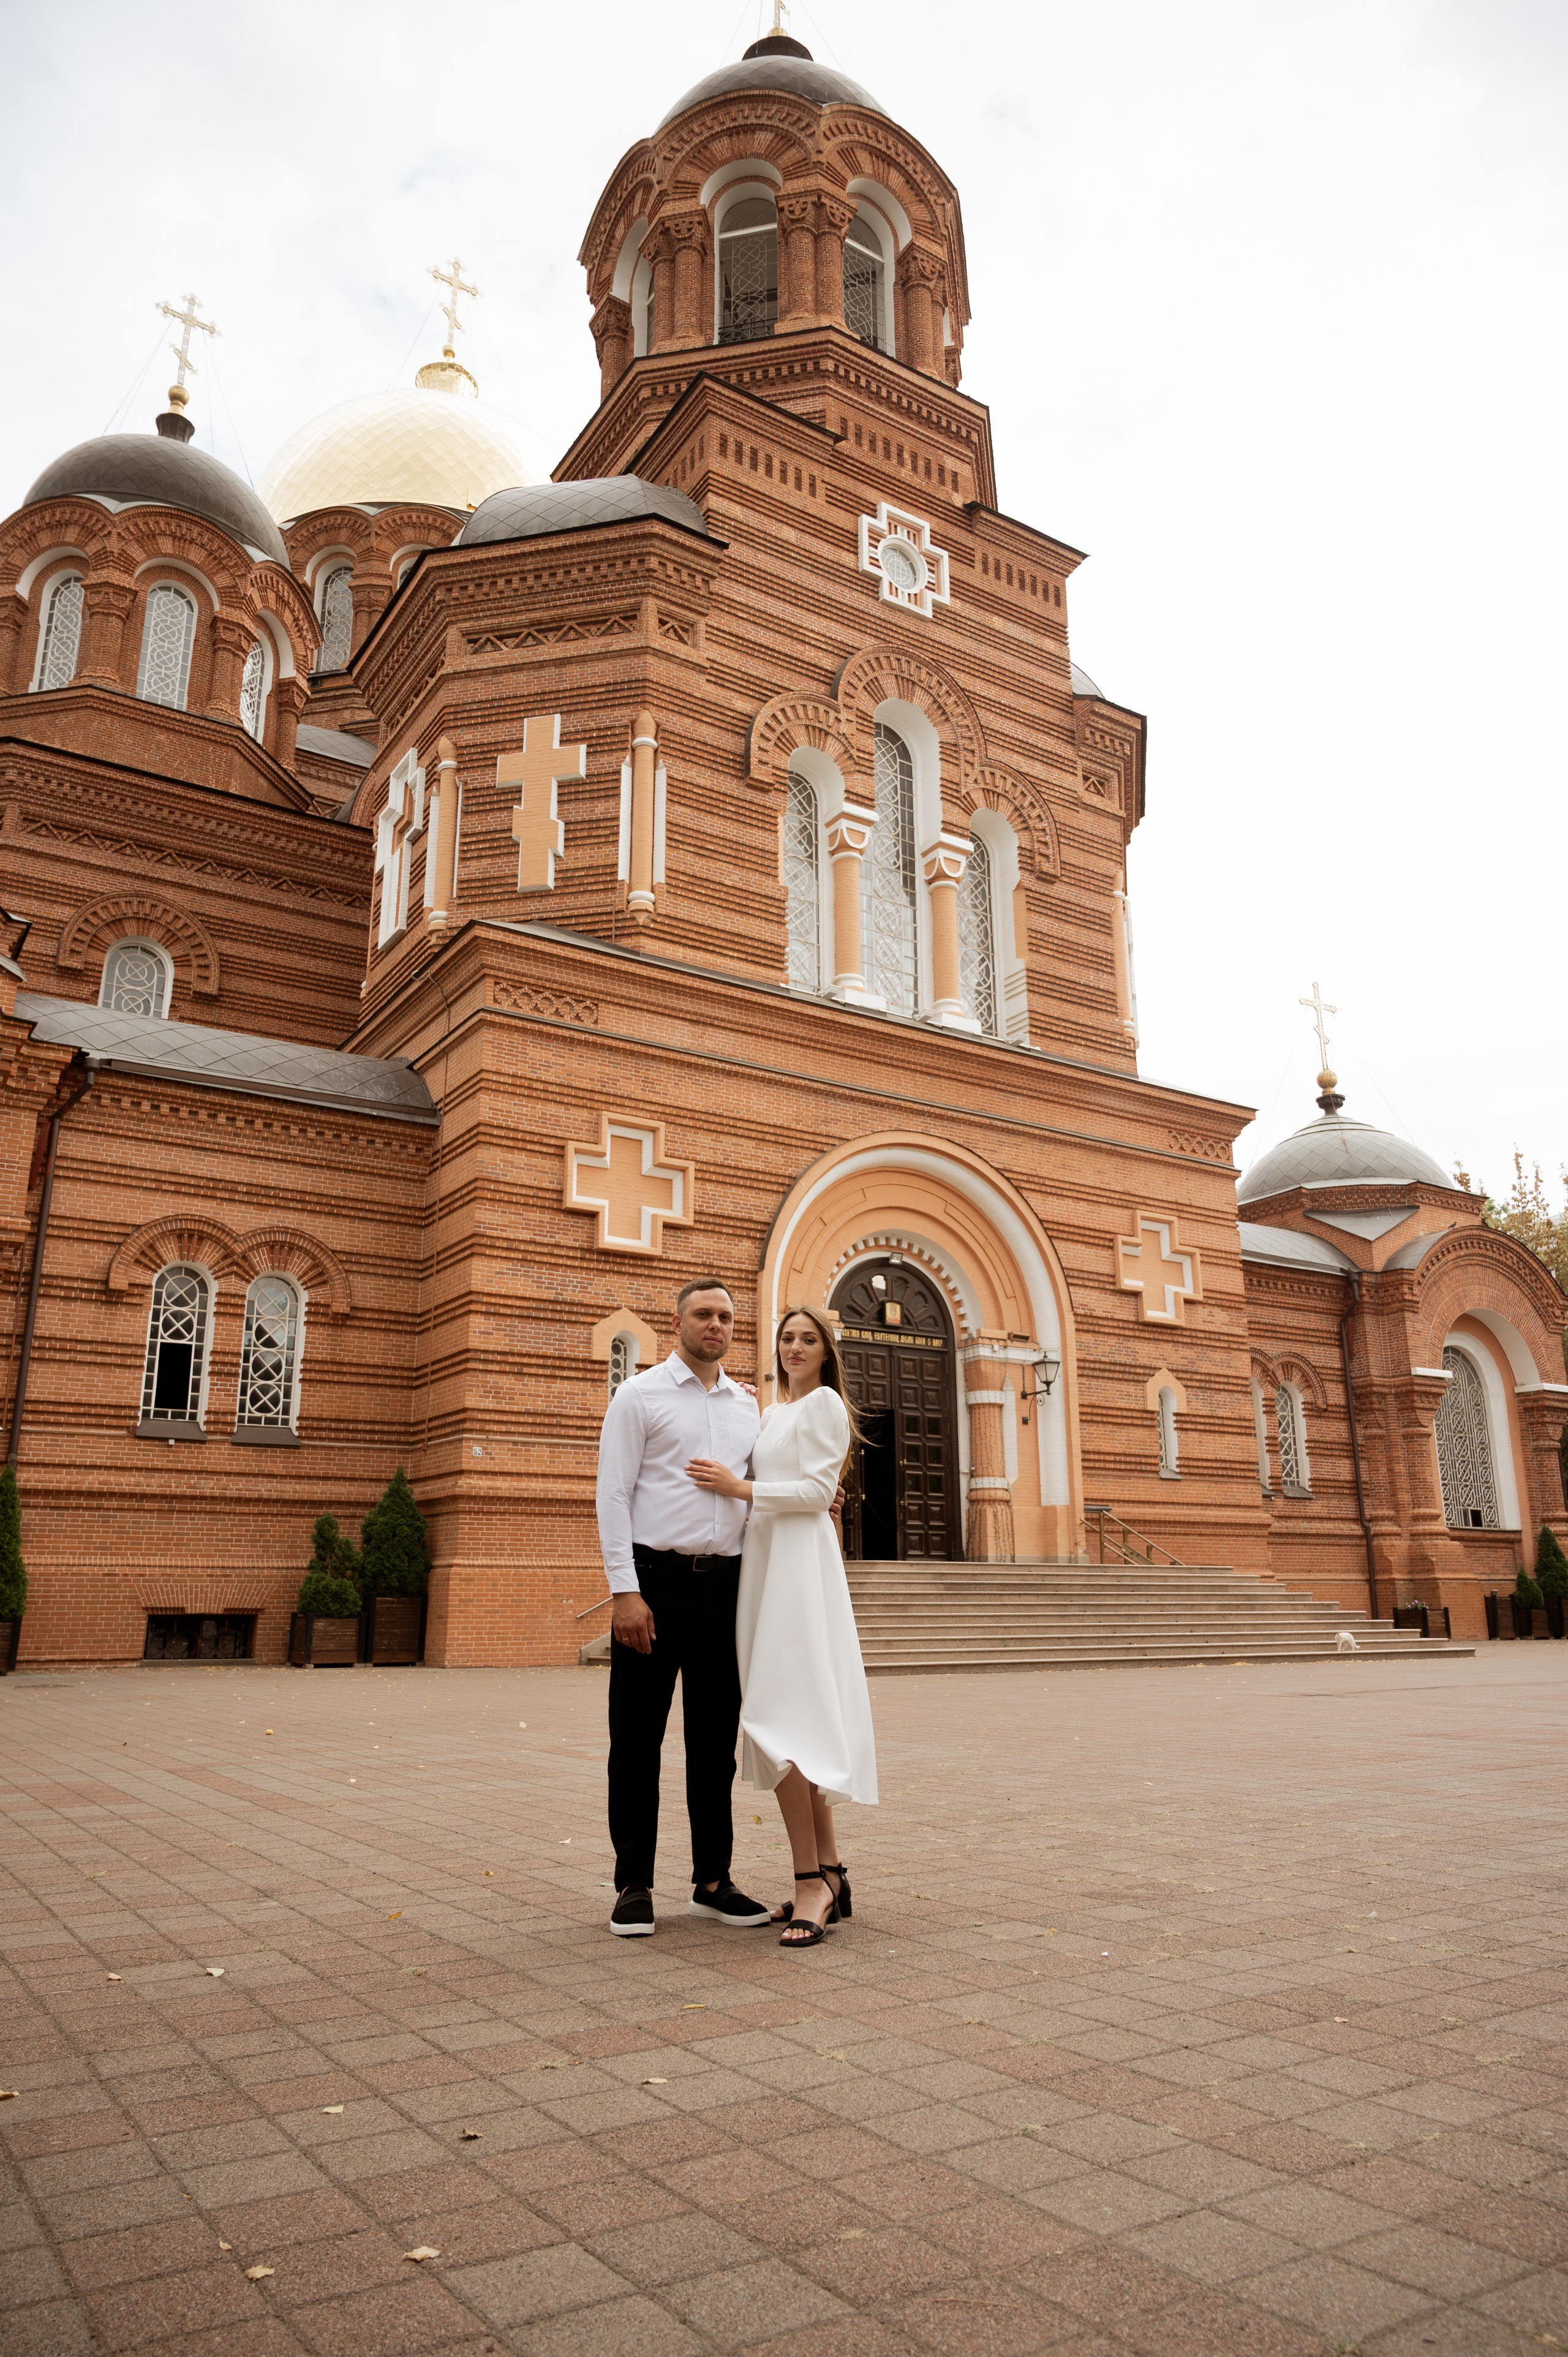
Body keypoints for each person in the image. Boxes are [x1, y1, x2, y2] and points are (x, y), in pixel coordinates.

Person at [687, 1304, 878, 1950]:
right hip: (764, 1568)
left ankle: (809, 1883)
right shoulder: (769, 1412)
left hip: (799, 1569)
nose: (795, 1347)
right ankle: (830, 1868)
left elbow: (817, 1490)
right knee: (788, 1716)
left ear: (827, 1351)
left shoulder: (824, 1404)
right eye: (786, 1338)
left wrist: (738, 1488)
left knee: (782, 1717)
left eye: (808, 1339)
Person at [595, 1278, 774, 1937]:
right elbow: (613, 1494)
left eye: (726, 1316)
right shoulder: (637, 1394)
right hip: (654, 1584)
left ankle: (712, 1879)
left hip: (723, 1588)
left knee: (713, 1744)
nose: (716, 1324)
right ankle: (632, 1883)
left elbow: (755, 1491)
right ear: (677, 1321)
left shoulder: (746, 1405)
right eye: (704, 1313)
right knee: (637, 1741)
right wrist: (625, 1590)